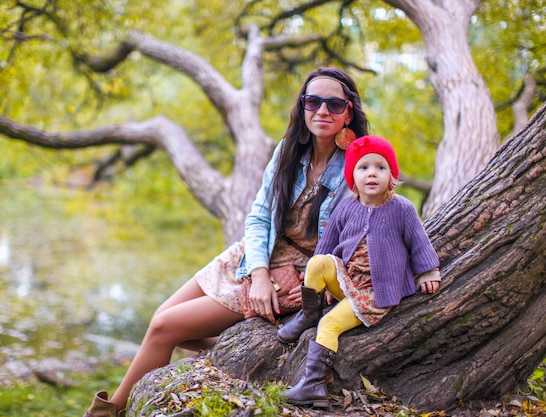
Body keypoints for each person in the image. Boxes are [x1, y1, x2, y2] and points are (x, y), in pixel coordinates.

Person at [82, 66, 370, 417]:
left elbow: (355, 238)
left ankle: (105, 413)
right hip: (255, 259)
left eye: (334, 105)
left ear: (348, 112)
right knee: (162, 319)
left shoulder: (360, 164)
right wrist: (260, 272)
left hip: (296, 277)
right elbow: (260, 215)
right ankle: (232, 349)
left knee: (163, 328)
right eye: (313, 101)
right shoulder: (288, 152)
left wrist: (319, 287)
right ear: (303, 106)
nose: (322, 111)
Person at [276, 135, 442, 408]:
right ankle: (309, 313)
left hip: (373, 294)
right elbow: (327, 248)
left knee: (329, 325)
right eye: (364, 167)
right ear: (353, 176)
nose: (372, 174)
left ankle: (313, 386)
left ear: (392, 176)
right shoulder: (346, 207)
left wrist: (428, 272)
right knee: (317, 263)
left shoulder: (402, 208)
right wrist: (326, 284)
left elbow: (418, 241)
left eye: (381, 167)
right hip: (347, 281)